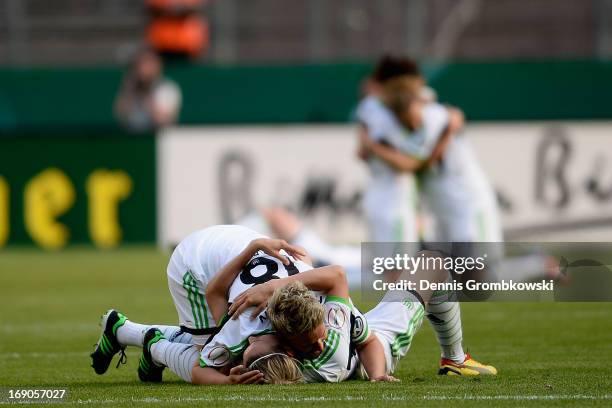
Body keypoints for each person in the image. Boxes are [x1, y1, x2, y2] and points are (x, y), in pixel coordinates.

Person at [90, 225, 385, 384]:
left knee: (225, 354)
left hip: (244, 244)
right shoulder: (243, 323)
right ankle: (153, 347)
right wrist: (226, 382)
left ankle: (124, 331)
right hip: (196, 262)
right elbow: (213, 293)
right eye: (309, 346)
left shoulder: (322, 301)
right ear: (283, 334)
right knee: (205, 354)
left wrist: (268, 283)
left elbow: (337, 275)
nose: (321, 348)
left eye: (317, 340)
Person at [114, 48, 182, 133]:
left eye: (150, 64)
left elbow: (165, 120)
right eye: (142, 65)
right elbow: (121, 115)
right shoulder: (131, 87)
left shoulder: (168, 88)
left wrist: (147, 92)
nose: (145, 69)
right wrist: (129, 88)